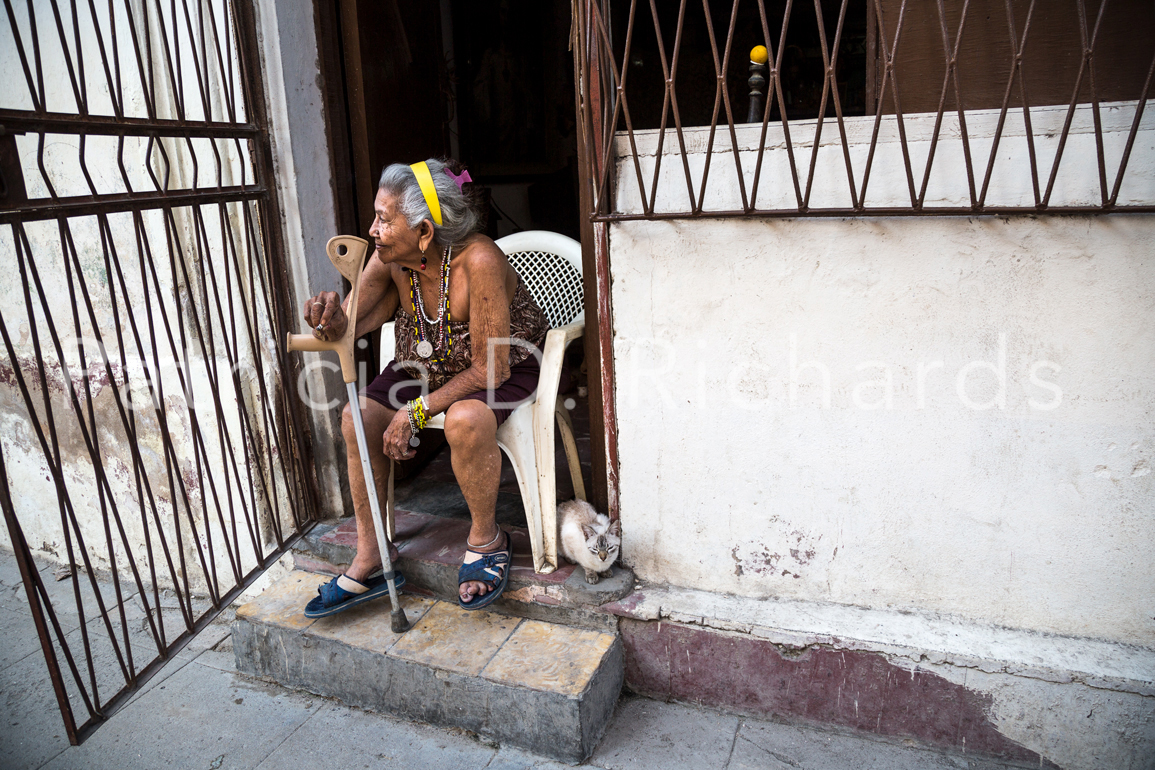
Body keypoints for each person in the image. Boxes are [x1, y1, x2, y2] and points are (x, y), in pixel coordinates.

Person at [301, 158, 548, 617]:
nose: (373, 230)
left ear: (425, 232)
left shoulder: (480, 260)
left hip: (504, 365)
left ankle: (486, 539)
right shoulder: (391, 259)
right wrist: (328, 314)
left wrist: (415, 412)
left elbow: (489, 370)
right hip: (425, 363)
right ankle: (373, 552)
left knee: (466, 419)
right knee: (356, 418)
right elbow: (345, 327)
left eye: (384, 219)